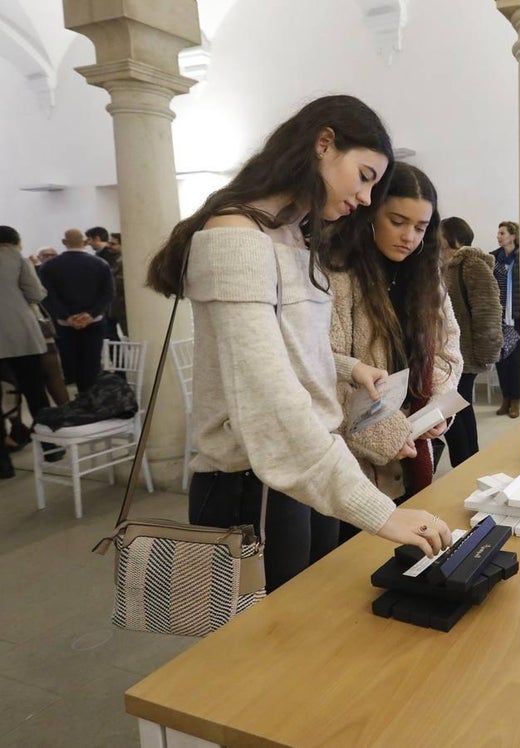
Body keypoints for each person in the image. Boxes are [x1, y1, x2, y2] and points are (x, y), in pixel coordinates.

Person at [145, 95, 451, 591]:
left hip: (308, 470)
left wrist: (348, 367)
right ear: (324, 145)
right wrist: (381, 513)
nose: (367, 198)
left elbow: (288, 355)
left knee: (313, 628)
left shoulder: (291, 238)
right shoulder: (233, 237)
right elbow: (269, 404)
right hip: (257, 480)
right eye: (366, 176)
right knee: (270, 651)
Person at [328, 162, 461, 515]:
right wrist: (384, 432)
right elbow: (325, 369)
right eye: (397, 222)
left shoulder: (426, 275)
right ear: (370, 213)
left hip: (414, 444)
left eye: (420, 228)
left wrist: (439, 406)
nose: (409, 237)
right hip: (351, 461)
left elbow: (448, 350)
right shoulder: (339, 275)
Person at [441, 216, 503, 465]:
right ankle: (469, 463)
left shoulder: (471, 263)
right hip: (454, 352)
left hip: (466, 353)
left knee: (453, 409)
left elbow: (487, 311)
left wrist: (486, 355)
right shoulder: (448, 265)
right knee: (460, 408)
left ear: (452, 238)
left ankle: (464, 463)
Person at [0, 226, 52, 478]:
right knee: (35, 392)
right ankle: (51, 448)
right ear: (14, 242)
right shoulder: (15, 258)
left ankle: (3, 466)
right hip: (20, 336)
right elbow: (35, 293)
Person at [38, 228, 114, 392]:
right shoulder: (100, 264)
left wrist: (67, 317)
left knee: (73, 362)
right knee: (92, 362)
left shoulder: (48, 267)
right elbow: (108, 294)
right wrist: (90, 314)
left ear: (64, 243)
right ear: (85, 242)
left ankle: (81, 396)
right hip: (94, 321)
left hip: (65, 324)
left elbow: (47, 297)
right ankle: (91, 397)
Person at [492, 220, 520, 418]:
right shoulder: (493, 257)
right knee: (501, 358)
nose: (499, 236)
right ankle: (505, 398)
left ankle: (515, 400)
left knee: (516, 360)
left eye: (503, 233)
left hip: (517, 314)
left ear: (513, 236)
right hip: (498, 315)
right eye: (499, 232)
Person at [88, 226, 126, 339]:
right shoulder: (117, 260)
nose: (108, 246)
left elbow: (119, 283)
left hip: (122, 305)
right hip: (114, 306)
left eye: (113, 244)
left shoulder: (124, 262)